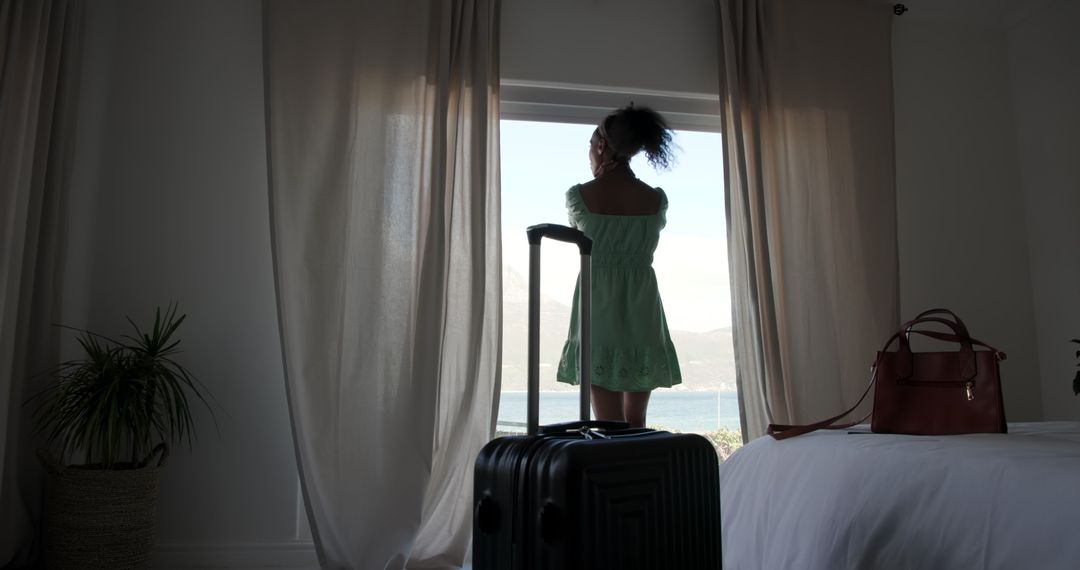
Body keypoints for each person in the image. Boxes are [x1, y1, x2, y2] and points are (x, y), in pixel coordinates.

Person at [555, 105, 682, 429]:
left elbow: (582, 231)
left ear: (600, 147)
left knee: (608, 425)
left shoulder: (580, 196)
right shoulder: (654, 199)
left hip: (598, 311)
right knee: (636, 421)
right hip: (643, 311)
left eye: (589, 148)